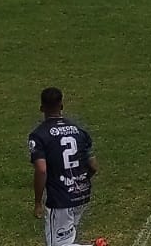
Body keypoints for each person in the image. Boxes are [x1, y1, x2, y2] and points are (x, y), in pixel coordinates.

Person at [28, 87, 104, 246]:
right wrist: (79, 180)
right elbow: (93, 166)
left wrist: (38, 202)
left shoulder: (39, 135)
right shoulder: (79, 131)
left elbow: (41, 169)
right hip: (82, 194)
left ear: (41, 108)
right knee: (67, 239)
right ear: (61, 106)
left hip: (60, 199)